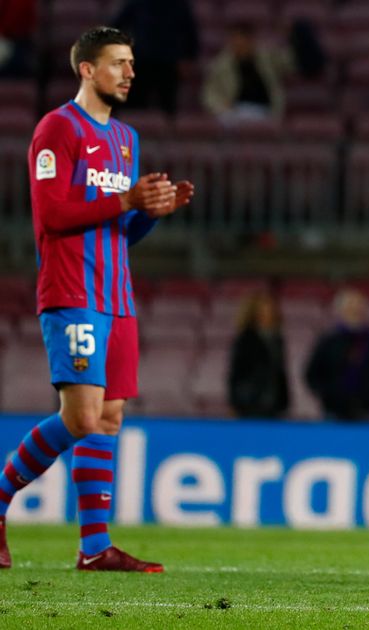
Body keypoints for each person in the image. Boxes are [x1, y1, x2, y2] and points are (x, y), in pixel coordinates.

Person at [0, 27, 193, 572]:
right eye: (118, 63)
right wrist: (125, 197)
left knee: (108, 417)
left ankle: (94, 546)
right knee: (82, 416)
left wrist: (148, 214)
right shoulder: (56, 129)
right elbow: (53, 216)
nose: (130, 72)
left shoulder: (126, 139)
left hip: (117, 295)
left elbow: (118, 232)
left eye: (132, 63)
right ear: (87, 69)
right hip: (72, 291)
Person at [304, 288, 369, 421]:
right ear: (341, 310)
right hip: (333, 411)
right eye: (351, 305)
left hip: (366, 411)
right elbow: (312, 374)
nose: (355, 310)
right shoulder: (328, 340)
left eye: (359, 305)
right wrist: (328, 395)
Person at [202, 23, 285, 125]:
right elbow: (209, 94)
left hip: (264, 111)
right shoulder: (220, 65)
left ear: (250, 40)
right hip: (234, 111)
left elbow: (290, 62)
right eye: (235, 40)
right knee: (226, 119)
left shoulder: (268, 58)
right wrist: (220, 106)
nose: (239, 44)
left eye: (242, 40)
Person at [228, 291, 289, 419]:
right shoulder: (245, 340)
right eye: (264, 310)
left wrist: (283, 400)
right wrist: (235, 402)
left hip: (274, 404)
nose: (269, 313)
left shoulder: (277, 340)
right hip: (250, 404)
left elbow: (280, 372)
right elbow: (235, 373)